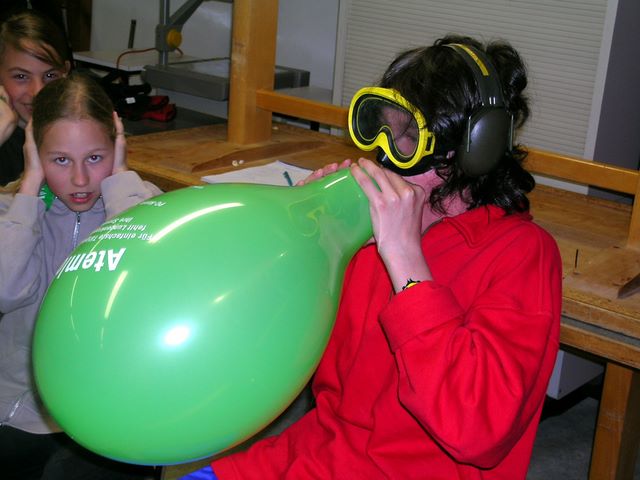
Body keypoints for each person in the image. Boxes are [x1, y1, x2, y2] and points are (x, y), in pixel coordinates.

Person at [181, 34, 563, 479]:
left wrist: (404, 259)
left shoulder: (521, 255)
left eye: (407, 138)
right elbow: (266, 349)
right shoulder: (362, 236)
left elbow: (477, 431)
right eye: (382, 129)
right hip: (316, 457)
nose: (383, 155)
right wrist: (308, 244)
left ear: (473, 150)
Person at [0, 72, 163, 479]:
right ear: (34, 153)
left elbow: (141, 290)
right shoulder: (13, 211)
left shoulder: (143, 208)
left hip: (105, 413)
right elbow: (4, 291)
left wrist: (120, 182)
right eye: (60, 160)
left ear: (118, 145)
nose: (79, 179)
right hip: (16, 408)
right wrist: (29, 189)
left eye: (95, 157)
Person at [0, 9, 71, 186]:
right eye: (21, 76)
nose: (38, 92)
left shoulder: (80, 131)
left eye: (50, 76)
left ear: (65, 73)